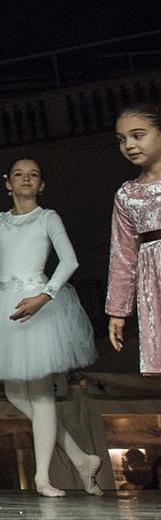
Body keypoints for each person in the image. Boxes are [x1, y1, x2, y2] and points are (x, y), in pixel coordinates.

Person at [0, 158, 100, 496]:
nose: (26, 179)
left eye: (34, 174)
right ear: (8, 183)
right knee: (15, 392)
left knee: (41, 393)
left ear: (42, 184)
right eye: (19, 174)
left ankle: (42, 478)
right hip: (5, 306)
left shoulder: (48, 218)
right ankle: (81, 459)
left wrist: (45, 296)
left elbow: (70, 260)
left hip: (38, 307)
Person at [108, 103, 161, 376]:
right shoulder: (128, 195)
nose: (129, 145)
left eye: (138, 135)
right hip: (155, 284)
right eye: (122, 139)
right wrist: (118, 311)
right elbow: (123, 256)